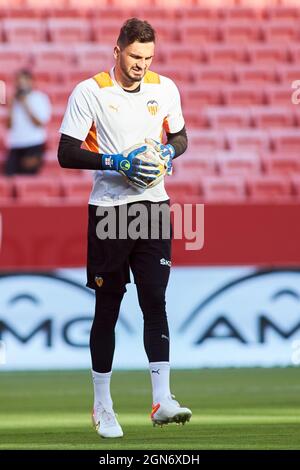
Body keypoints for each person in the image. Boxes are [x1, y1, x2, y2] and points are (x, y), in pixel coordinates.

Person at [58, 18, 191, 439]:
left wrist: (169, 151)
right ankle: (103, 406)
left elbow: (182, 136)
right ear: (117, 51)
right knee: (108, 307)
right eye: (135, 56)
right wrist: (116, 161)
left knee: (155, 298)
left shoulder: (164, 88)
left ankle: (162, 399)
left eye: (148, 57)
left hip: (153, 206)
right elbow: (66, 153)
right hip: (110, 210)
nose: (141, 64)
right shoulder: (90, 92)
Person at [4, 69, 51, 176]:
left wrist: (25, 104)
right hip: (16, 144)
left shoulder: (40, 98)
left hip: (33, 143)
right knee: (9, 175)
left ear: (31, 81)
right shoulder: (13, 100)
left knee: (27, 177)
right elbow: (8, 125)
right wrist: (10, 107)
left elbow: (39, 122)